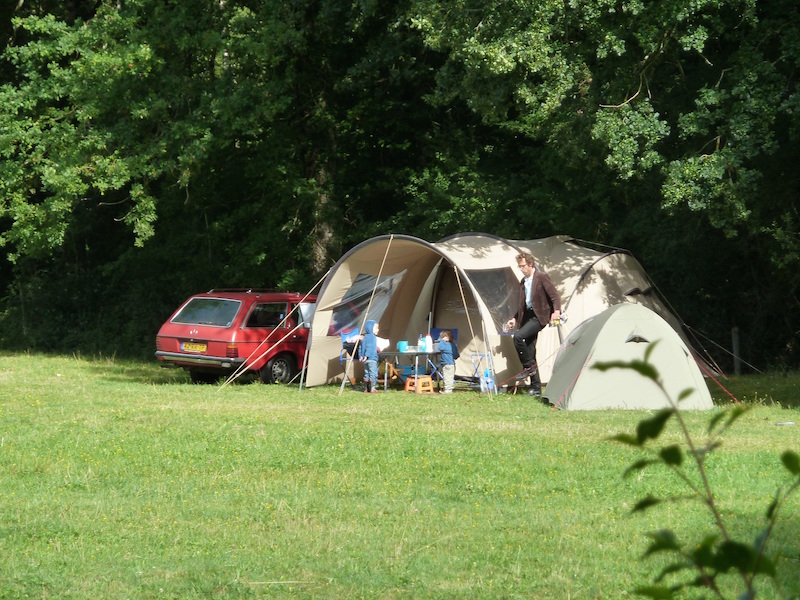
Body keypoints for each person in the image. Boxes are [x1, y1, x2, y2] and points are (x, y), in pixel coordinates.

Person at [505, 252, 561, 397]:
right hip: (527, 316)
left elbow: (554, 296)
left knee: (518, 337)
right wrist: (515, 319)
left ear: (530, 264)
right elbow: (522, 305)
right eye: (519, 267)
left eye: (522, 266)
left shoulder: (541, 277)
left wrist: (556, 311)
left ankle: (528, 368)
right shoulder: (523, 282)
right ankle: (536, 388)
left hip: (539, 316)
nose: (521, 269)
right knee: (530, 351)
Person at [359, 319, 380, 393]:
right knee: (373, 373)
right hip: (371, 358)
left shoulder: (365, 337)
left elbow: (361, 347)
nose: (378, 329)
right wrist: (367, 356)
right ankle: (372, 389)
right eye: (376, 328)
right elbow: (369, 347)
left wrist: (361, 356)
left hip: (365, 360)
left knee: (367, 373)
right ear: (370, 328)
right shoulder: (372, 337)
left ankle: (366, 389)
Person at [437, 329, 459, 394]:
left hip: (446, 363)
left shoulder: (445, 345)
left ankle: (448, 390)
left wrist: (442, 341)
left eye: (442, 337)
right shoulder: (453, 345)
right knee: (449, 377)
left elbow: (440, 347)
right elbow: (456, 355)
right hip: (452, 363)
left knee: (446, 377)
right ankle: (447, 388)